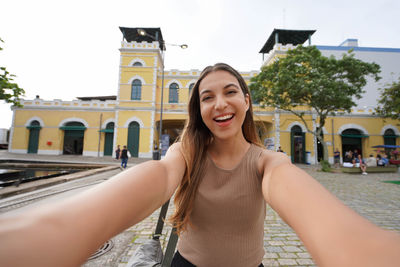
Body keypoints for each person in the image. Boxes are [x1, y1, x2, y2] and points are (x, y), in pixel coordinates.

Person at [0, 63, 399, 267]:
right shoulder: (185, 154)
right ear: (199, 108)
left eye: (230, 92)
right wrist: (50, 231)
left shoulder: (269, 163)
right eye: (207, 97)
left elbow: (336, 234)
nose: (220, 103)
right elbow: (157, 177)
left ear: (246, 101)